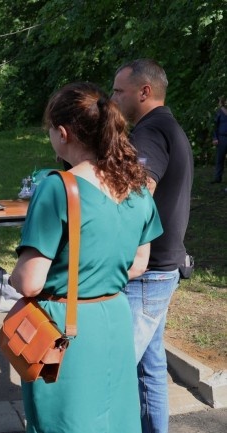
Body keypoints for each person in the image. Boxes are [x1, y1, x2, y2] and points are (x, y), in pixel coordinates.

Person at [10, 82, 163, 433]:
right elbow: (140, 263)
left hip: (65, 329)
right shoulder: (136, 184)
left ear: (63, 134)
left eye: (50, 131)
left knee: (64, 423)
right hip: (114, 317)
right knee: (115, 421)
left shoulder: (58, 186)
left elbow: (30, 281)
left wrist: (12, 277)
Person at [112, 59, 194, 433]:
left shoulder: (148, 133)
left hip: (145, 273)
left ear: (144, 92)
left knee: (112, 373)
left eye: (119, 92)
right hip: (163, 268)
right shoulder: (169, 126)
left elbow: (136, 197)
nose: (113, 99)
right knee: (151, 368)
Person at [211, 96, 227, 184]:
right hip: (222, 138)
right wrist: (215, 138)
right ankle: (217, 178)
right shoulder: (219, 112)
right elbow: (215, 126)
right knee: (220, 159)